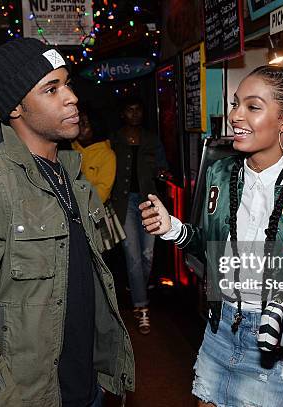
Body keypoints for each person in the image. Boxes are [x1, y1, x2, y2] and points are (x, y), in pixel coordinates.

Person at [140, 66, 283, 406]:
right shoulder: (219, 171)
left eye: (252, 107)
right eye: (235, 103)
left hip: (281, 343)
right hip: (220, 329)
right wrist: (173, 228)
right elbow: (209, 245)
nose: (235, 115)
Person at [0, 38, 134, 407]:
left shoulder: (74, 175)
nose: (71, 97)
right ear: (15, 106)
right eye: (51, 88)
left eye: (68, 83)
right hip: (31, 397)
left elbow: (95, 275)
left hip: (89, 386)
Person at [110, 96, 159, 335]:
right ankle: (142, 308)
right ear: (123, 113)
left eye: (138, 108)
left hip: (149, 203)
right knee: (133, 256)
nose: (134, 113)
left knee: (147, 255)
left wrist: (160, 173)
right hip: (123, 204)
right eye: (129, 109)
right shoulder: (113, 140)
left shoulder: (151, 139)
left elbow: (163, 166)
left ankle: (136, 286)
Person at [72, 103, 116, 203]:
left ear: (95, 126)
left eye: (85, 124)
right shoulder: (68, 149)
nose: (80, 128)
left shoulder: (106, 155)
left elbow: (102, 192)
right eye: (78, 123)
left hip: (92, 210)